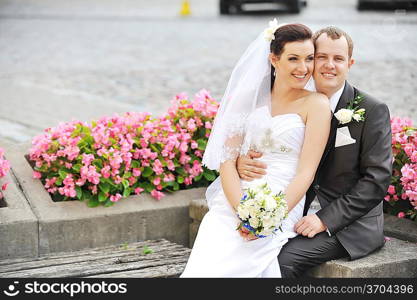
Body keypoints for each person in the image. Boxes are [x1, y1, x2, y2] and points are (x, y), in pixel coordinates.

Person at [237, 26, 392, 277]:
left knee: (280, 260)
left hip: (348, 226)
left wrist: (325, 219)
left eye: (338, 58)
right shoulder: (297, 100)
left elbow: (377, 180)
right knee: (247, 246)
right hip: (295, 210)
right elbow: (275, 144)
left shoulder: (372, 109)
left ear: (350, 63)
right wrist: (242, 160)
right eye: (321, 57)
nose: (329, 65)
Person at [180, 21, 331, 277]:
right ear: (274, 59)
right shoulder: (247, 100)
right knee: (215, 236)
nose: (303, 68)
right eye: (293, 58)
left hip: (283, 200)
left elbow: (306, 173)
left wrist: (266, 218)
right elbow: (227, 161)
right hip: (237, 196)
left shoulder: (317, 104)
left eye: (309, 59)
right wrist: (242, 210)